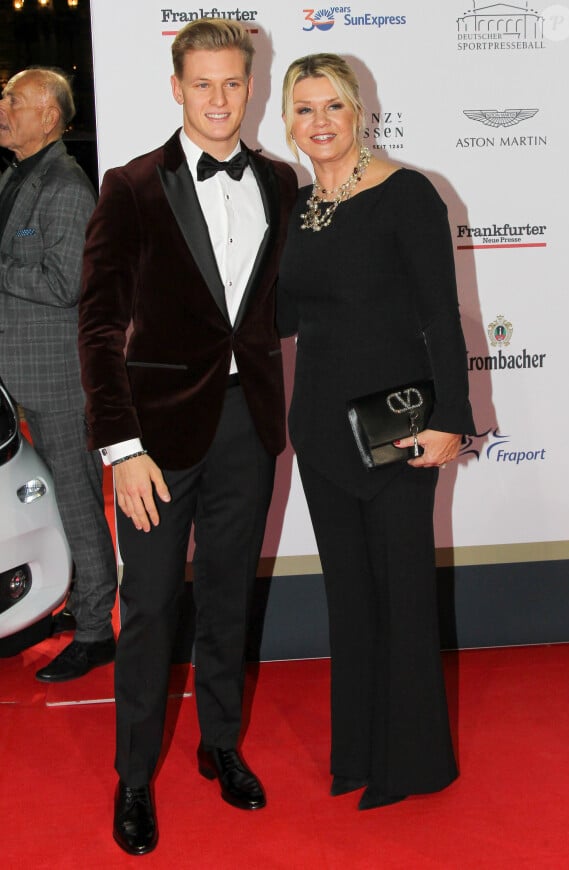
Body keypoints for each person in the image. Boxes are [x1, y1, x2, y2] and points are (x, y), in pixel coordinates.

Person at [78, 19, 297, 856]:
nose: (218, 99)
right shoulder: (132, 186)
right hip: (157, 443)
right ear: (176, 87)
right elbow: (98, 327)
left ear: (252, 87)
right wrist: (121, 449)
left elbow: (289, 306)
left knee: (231, 598)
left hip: (250, 427)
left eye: (233, 84)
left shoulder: (279, 183)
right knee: (153, 606)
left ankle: (220, 744)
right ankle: (134, 777)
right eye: (201, 84)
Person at [277, 54, 475, 811]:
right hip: (321, 431)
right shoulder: (299, 206)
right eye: (303, 109)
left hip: (399, 428)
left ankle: (416, 763)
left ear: (360, 112)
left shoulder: (406, 193)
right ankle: (356, 752)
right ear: (288, 122)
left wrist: (452, 418)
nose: (318, 122)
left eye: (332, 106)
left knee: (401, 591)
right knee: (349, 596)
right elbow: (286, 317)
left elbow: (440, 313)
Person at [0, 68, 117, 681]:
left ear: (49, 114)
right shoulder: (18, 177)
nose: (2, 106)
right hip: (15, 378)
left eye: (13, 98)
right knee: (34, 503)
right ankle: (55, 600)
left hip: (54, 379)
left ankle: (97, 629)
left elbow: (62, 283)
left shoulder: (66, 186)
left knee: (75, 499)